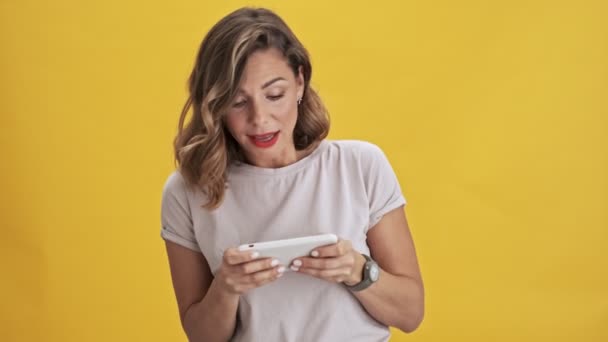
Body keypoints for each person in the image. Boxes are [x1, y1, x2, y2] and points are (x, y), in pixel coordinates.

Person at [160, 7, 424, 342]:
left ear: (300, 82)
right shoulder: (187, 192)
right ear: (215, 107)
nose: (260, 118)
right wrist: (225, 289)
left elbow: (411, 313)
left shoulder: (360, 166)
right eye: (238, 102)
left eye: (274, 95)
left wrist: (357, 270)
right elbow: (201, 336)